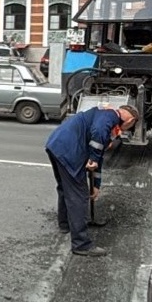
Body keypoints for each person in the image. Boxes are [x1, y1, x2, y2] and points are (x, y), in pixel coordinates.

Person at [44, 104, 140, 257]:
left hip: (56, 145)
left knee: (65, 188)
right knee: (79, 196)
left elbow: (99, 157)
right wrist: (94, 157)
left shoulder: (103, 116)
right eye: (129, 127)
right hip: (68, 151)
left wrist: (96, 185)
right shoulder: (110, 116)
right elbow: (98, 141)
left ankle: (65, 224)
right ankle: (81, 244)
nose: (123, 131)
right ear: (130, 120)